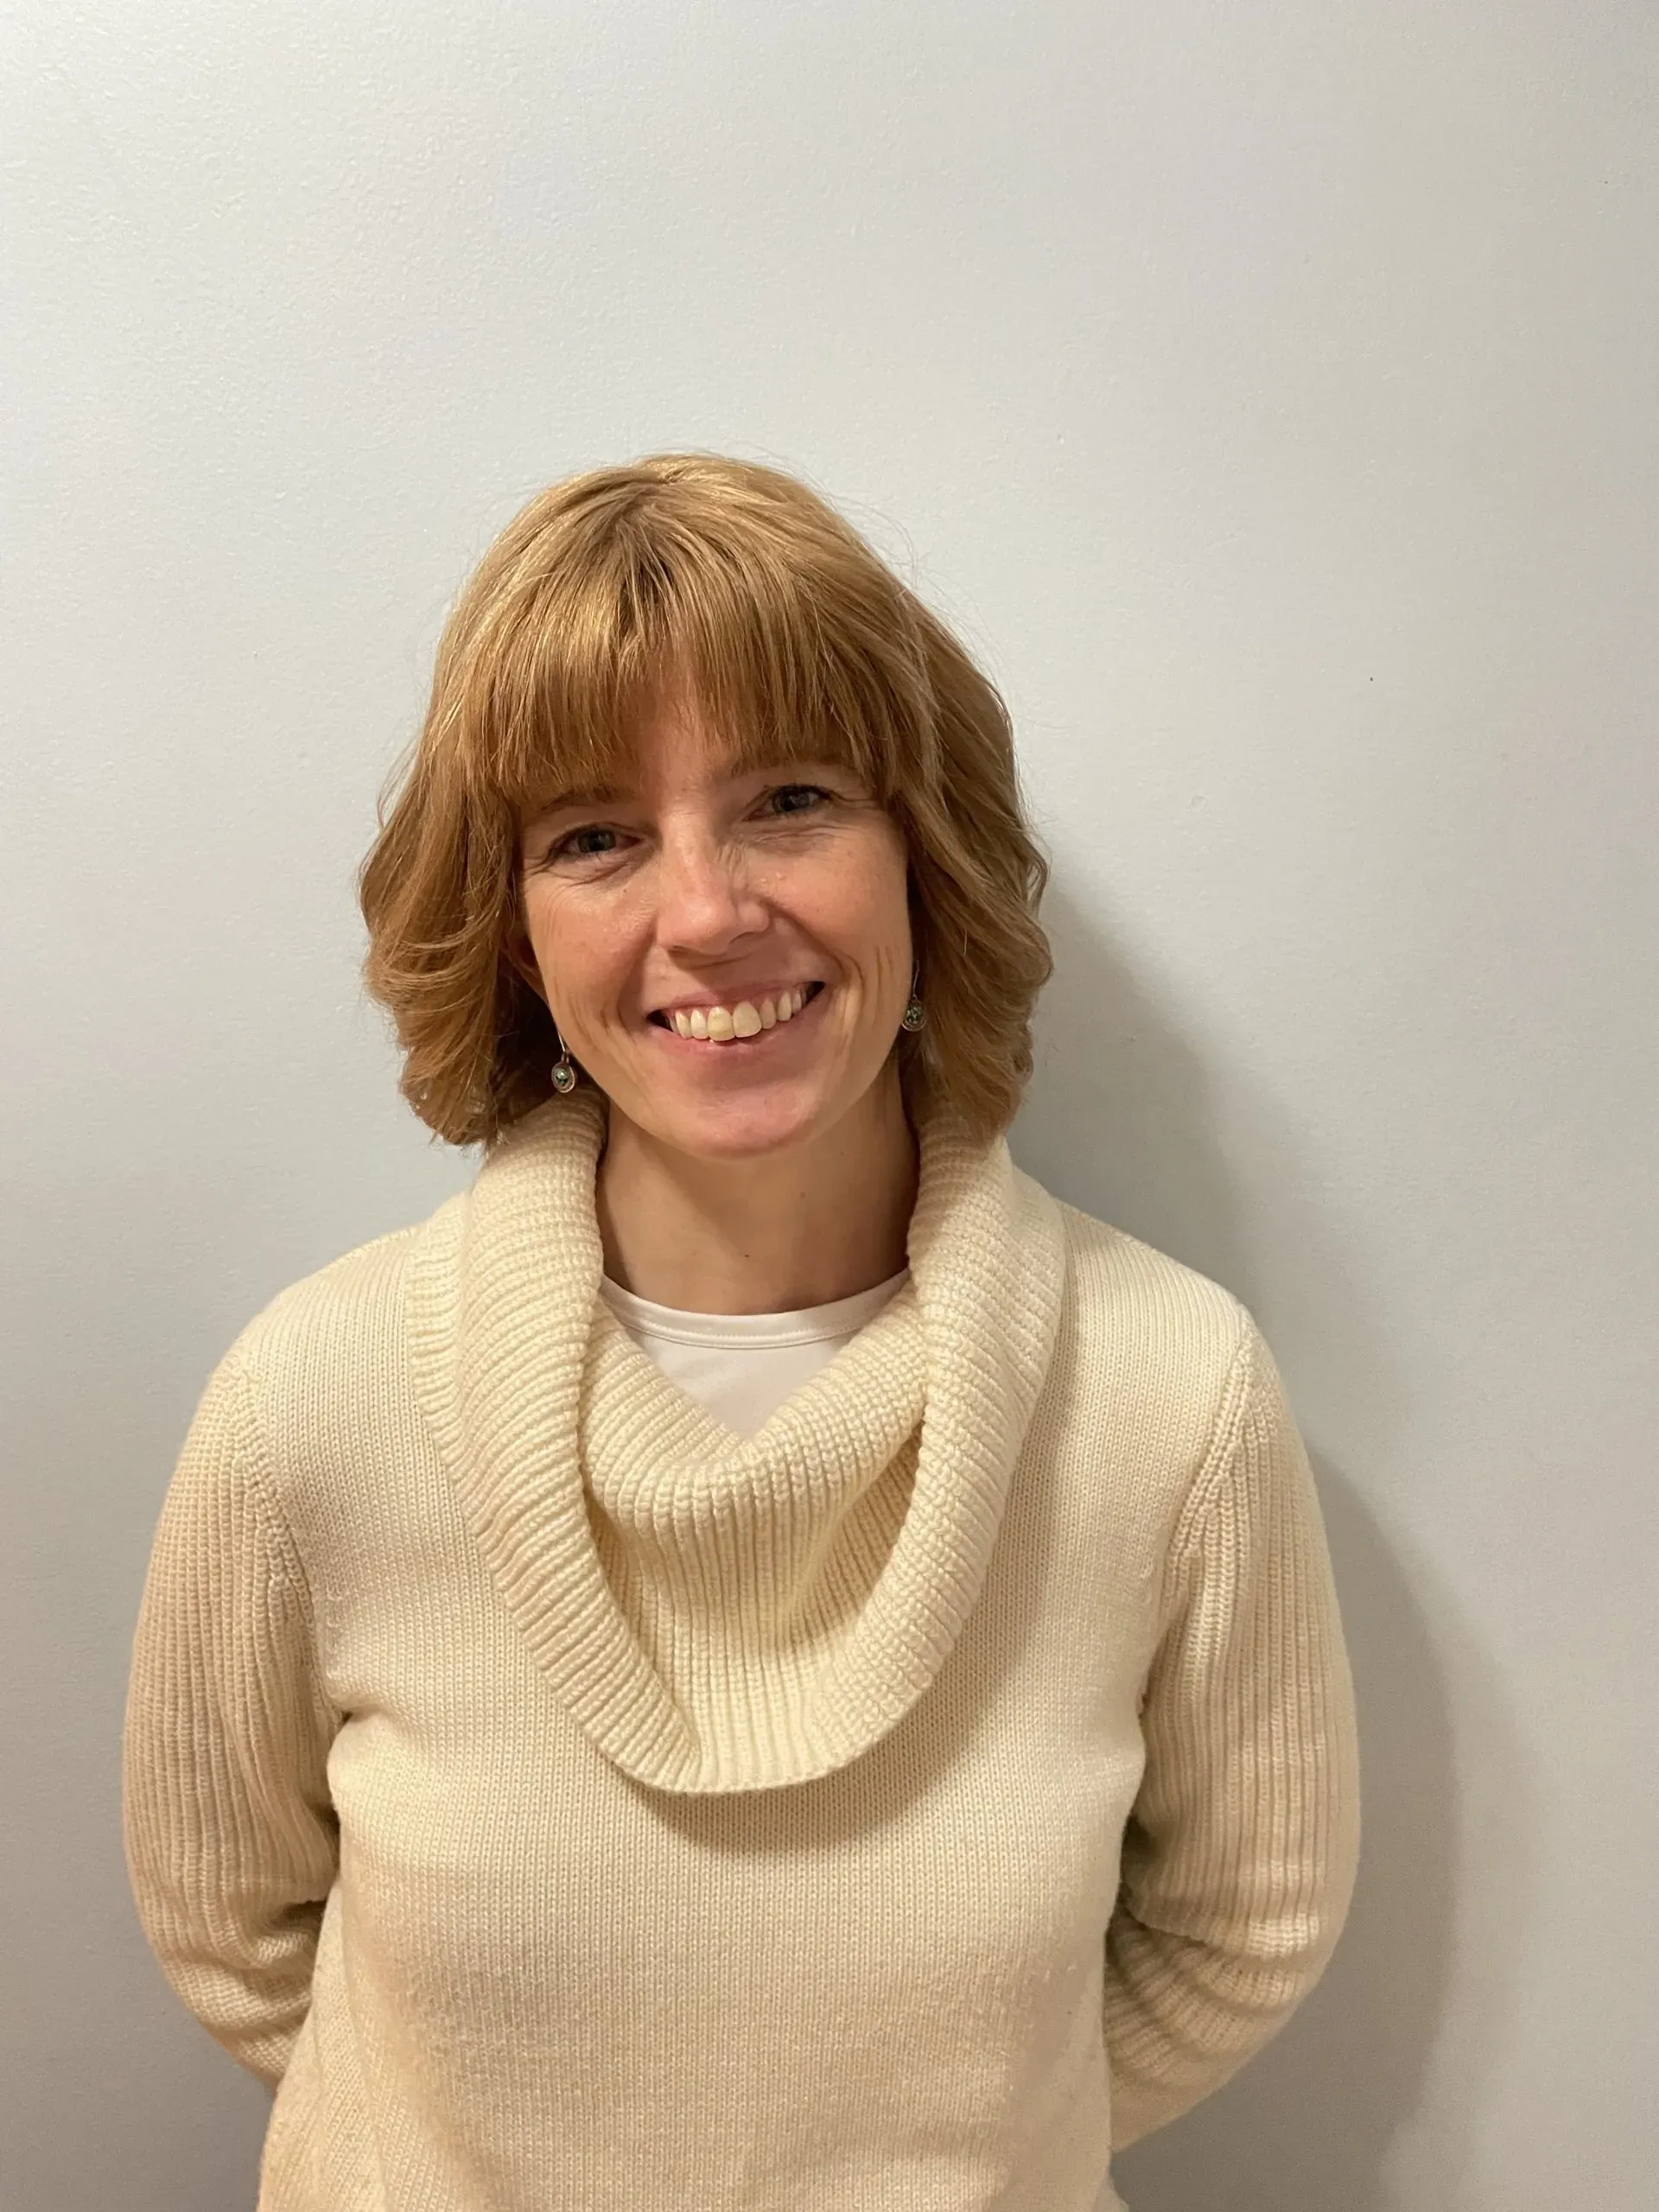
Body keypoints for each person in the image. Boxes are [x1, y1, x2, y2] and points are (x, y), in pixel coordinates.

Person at [121, 453, 1361, 2212]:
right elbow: (235, 1929)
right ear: (516, 930)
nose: (707, 910)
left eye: (790, 797)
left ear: (921, 852)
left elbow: (1241, 1930)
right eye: (596, 835)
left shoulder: (1170, 1396)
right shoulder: (313, 1404)